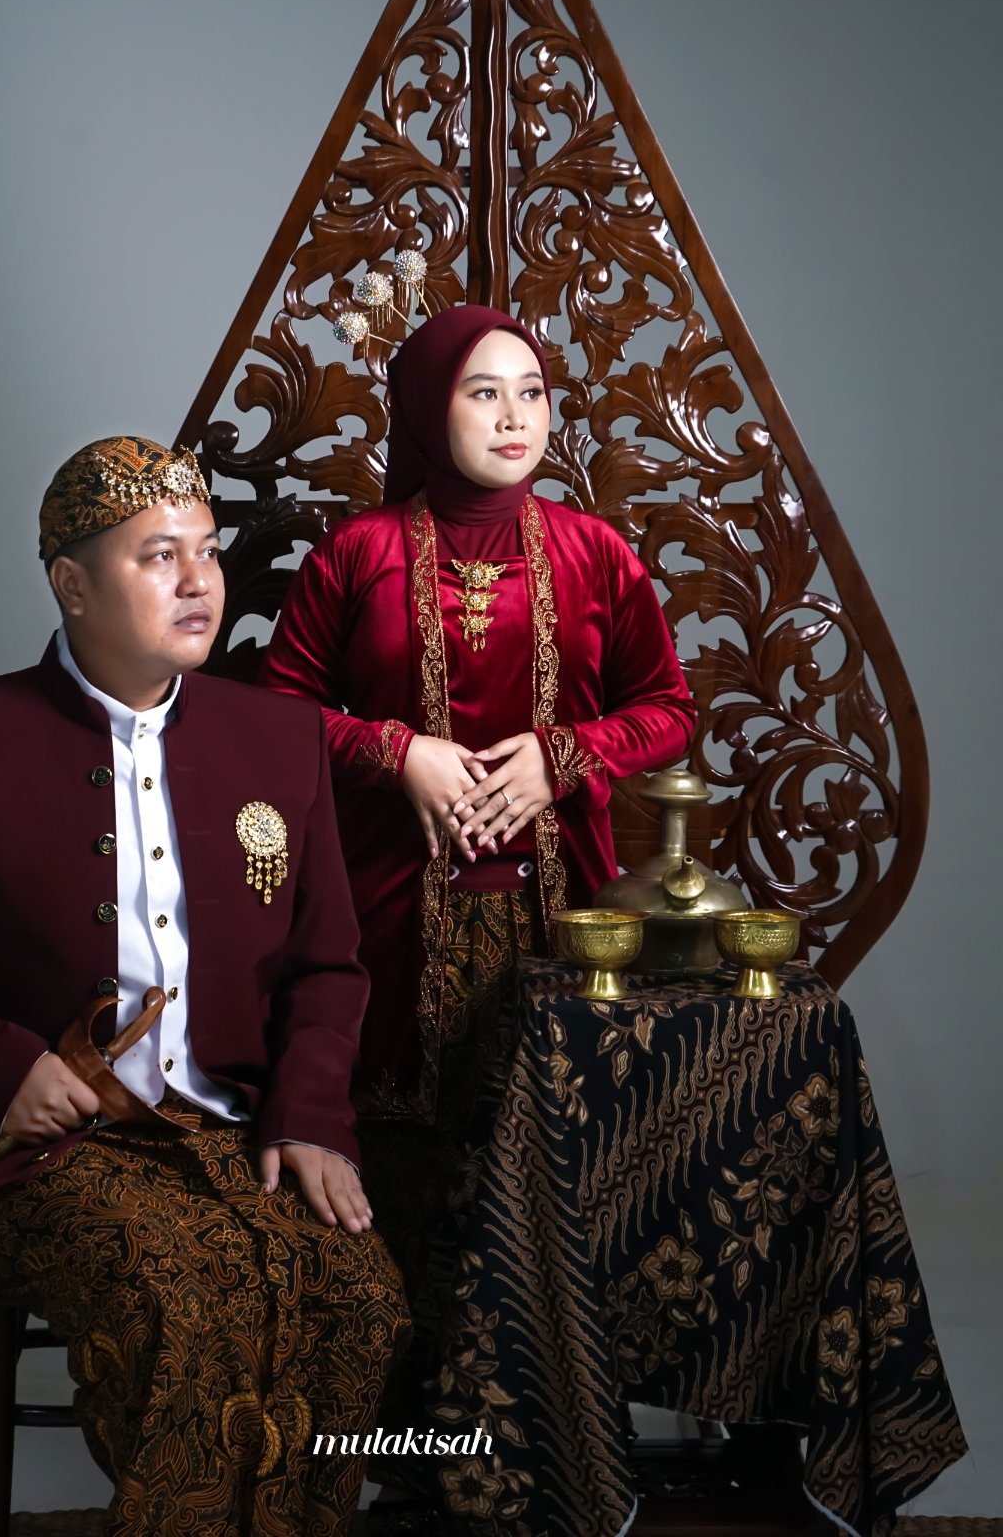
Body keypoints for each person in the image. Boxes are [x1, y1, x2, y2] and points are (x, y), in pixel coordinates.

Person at [0, 435, 409, 1537]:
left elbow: (328, 962)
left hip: (230, 1125)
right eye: (158, 556)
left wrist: (312, 1116)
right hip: (33, 1149)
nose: (198, 581)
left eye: (207, 551)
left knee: (362, 1296)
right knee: (181, 1298)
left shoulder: (280, 739)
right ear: (71, 585)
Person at [258, 306, 696, 1464]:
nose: (515, 418)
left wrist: (564, 758)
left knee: (547, 1166)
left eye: (532, 392)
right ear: (424, 407)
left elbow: (668, 708)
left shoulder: (595, 552)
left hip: (561, 918)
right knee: (403, 1166)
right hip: (386, 916)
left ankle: (544, 1440)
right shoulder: (357, 555)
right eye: (482, 392)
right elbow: (274, 715)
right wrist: (394, 751)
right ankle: (404, 1444)